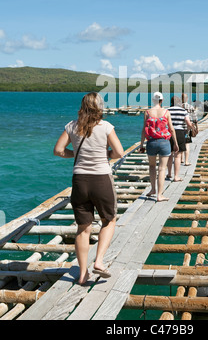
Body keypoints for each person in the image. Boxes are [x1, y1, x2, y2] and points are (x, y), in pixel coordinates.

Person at [53, 92, 124, 285]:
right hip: (101, 179)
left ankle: (83, 274)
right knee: (109, 220)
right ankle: (99, 261)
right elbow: (119, 152)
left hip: (79, 180)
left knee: (83, 228)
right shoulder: (106, 127)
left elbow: (58, 150)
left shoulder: (72, 126)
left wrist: (74, 153)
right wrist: (106, 154)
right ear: (100, 107)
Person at [140, 91, 178, 202]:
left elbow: (144, 130)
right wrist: (175, 143)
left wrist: (142, 145)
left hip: (151, 142)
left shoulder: (147, 112)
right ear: (162, 101)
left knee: (152, 166)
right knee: (162, 169)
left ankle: (153, 189)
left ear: (153, 100)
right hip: (164, 143)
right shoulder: (166, 112)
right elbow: (171, 129)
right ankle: (160, 195)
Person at [167, 96, 193, 181]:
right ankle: (176, 176)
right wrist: (187, 130)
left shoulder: (168, 110)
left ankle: (169, 174)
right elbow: (189, 123)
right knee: (177, 156)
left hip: (169, 132)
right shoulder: (183, 111)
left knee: (169, 155)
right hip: (180, 132)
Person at [181, 93, 197, 166]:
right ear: (187, 99)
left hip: (179, 128)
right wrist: (196, 126)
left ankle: (181, 159)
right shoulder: (191, 107)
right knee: (187, 144)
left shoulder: (178, 107)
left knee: (180, 143)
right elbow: (195, 118)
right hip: (188, 127)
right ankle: (186, 161)